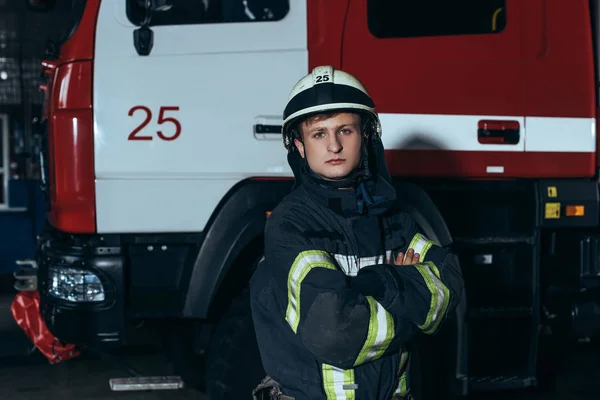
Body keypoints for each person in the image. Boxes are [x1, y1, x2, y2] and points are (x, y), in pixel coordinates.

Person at [249, 66, 464, 400]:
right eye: (319, 134)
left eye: (345, 130)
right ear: (300, 146)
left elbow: (449, 286)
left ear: (365, 135)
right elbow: (334, 332)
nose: (333, 145)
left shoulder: (392, 218)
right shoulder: (290, 224)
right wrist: (407, 298)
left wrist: (376, 284)